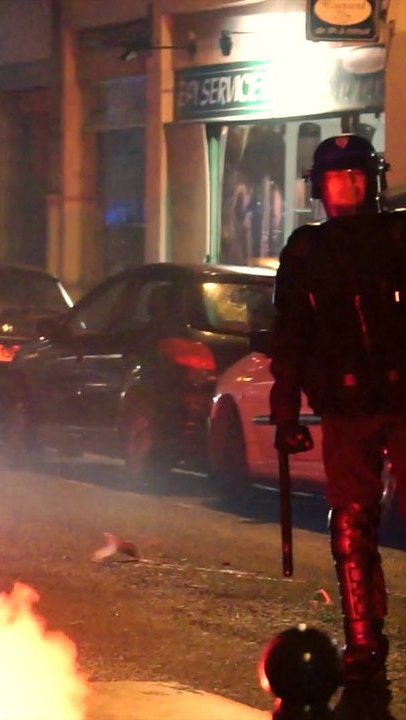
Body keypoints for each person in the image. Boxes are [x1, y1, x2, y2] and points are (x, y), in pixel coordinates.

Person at [269, 133, 406, 717]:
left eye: (356, 176)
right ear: (320, 189)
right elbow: (291, 335)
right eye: (336, 179)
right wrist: (285, 403)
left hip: (405, 399)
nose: (347, 188)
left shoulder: (401, 236)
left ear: (372, 181)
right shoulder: (306, 253)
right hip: (347, 406)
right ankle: (361, 638)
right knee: (350, 522)